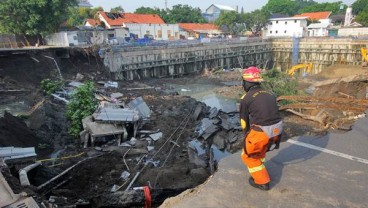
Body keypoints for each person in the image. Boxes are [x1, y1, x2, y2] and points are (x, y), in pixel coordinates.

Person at [239, 66, 283, 191]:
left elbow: (243, 122)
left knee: (247, 156)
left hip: (262, 132)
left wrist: (246, 135)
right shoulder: (270, 93)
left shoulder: (246, 98)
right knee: (260, 148)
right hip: (277, 130)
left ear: (246, 83)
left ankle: (262, 181)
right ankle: (260, 164)